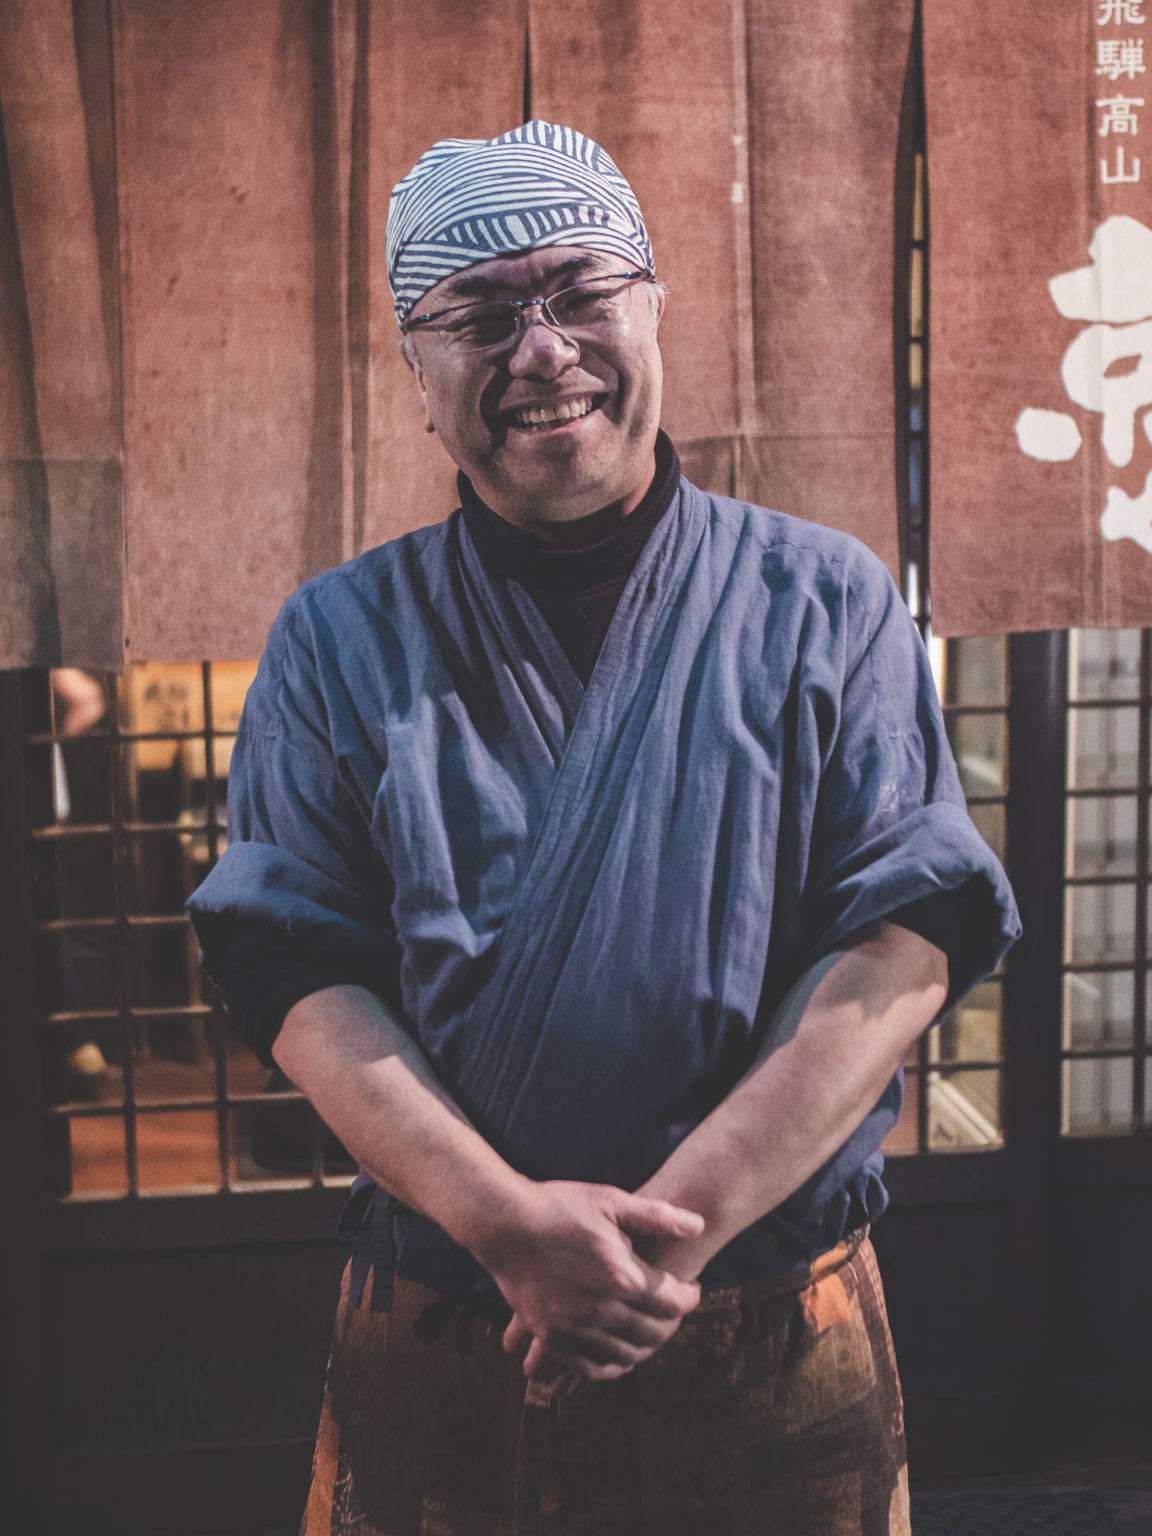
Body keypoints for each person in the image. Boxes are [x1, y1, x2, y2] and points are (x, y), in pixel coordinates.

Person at [188, 120, 1019, 1535]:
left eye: (580, 293)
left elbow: (909, 934)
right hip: (452, 1312)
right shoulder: (337, 636)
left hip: (769, 1312)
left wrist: (661, 1241)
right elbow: (291, 963)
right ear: (418, 372)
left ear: (653, 309)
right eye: (479, 317)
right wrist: (507, 1224)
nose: (542, 349)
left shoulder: (827, 599)